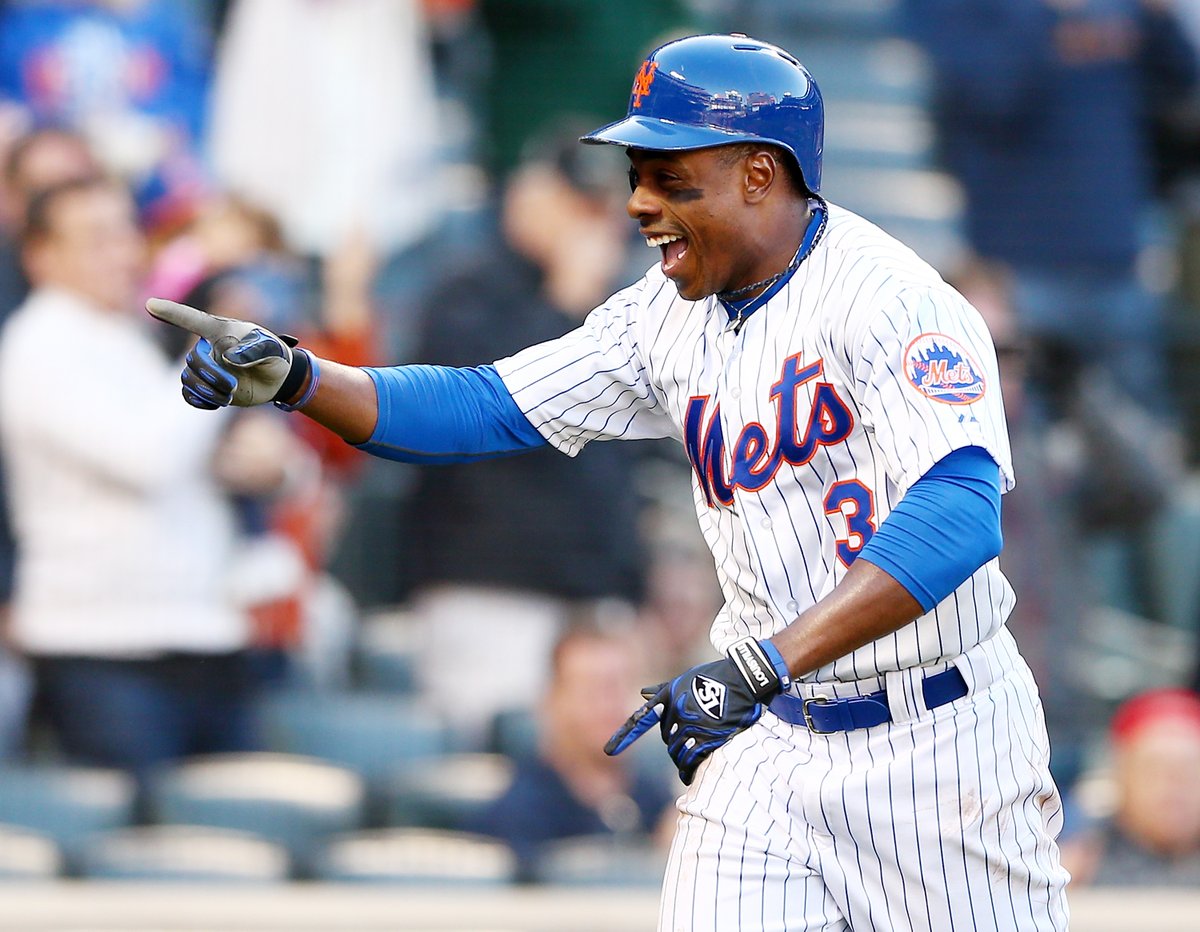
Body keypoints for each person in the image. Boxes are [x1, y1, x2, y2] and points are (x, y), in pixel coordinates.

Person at [149, 34, 1068, 930]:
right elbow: (484, 405)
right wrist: (302, 378)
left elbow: (958, 517)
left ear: (759, 174)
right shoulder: (661, 315)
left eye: (671, 178)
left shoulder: (895, 301)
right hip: (771, 742)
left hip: (937, 740)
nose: (638, 203)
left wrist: (764, 661)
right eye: (637, 174)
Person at [0, 176, 294, 788]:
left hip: (205, 635)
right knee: (142, 836)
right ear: (41, 256)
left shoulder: (135, 336)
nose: (123, 253)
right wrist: (218, 352)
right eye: (96, 239)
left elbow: (202, 450)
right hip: (101, 649)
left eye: (126, 232)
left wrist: (267, 462)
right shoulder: (37, 345)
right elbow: (148, 459)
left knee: (236, 825)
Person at [401, 125, 648, 746]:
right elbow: (476, 419)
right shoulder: (466, 292)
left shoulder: (625, 310)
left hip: (595, 596)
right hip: (488, 587)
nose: (593, 227)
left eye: (603, 211)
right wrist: (563, 306)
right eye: (578, 204)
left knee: (599, 765)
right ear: (530, 195)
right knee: (488, 764)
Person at [465, 620, 674, 881]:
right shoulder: (518, 815)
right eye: (591, 690)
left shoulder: (658, 801)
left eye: (619, 687)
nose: (608, 707)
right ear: (552, 701)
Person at [1059, 687, 1200, 886]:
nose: (1173, 785)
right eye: (1154, 769)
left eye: (1189, 770)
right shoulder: (1075, 863)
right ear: (1122, 773)